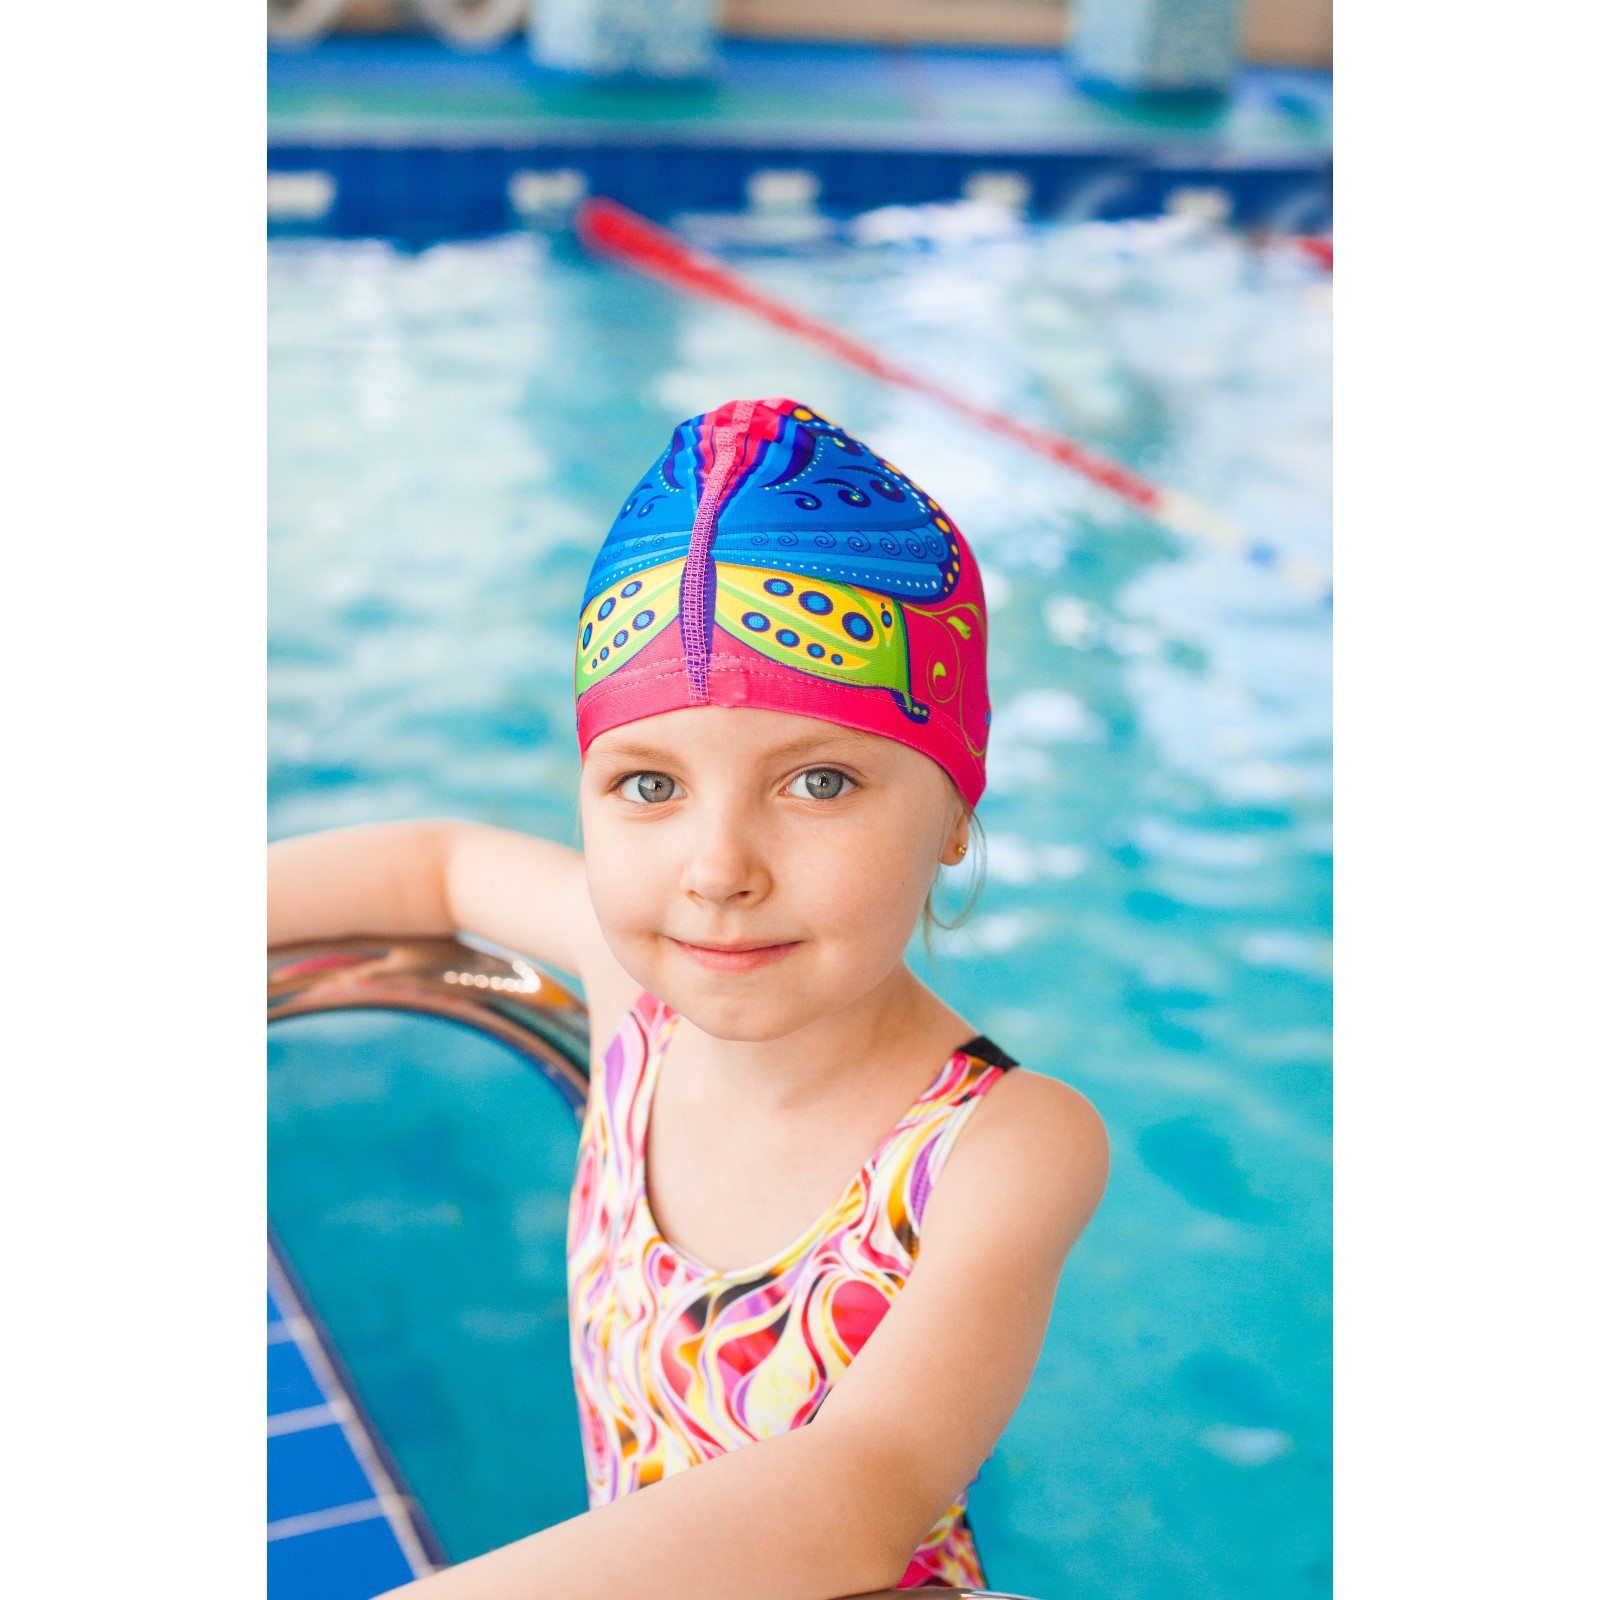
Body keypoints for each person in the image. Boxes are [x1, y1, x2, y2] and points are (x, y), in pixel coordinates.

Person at [269, 398, 1109, 1599]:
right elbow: (437, 863)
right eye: (649, 785)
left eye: (820, 782)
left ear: (953, 811)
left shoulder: (1001, 1145)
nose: (718, 871)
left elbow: (856, 1490)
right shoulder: (637, 1002)